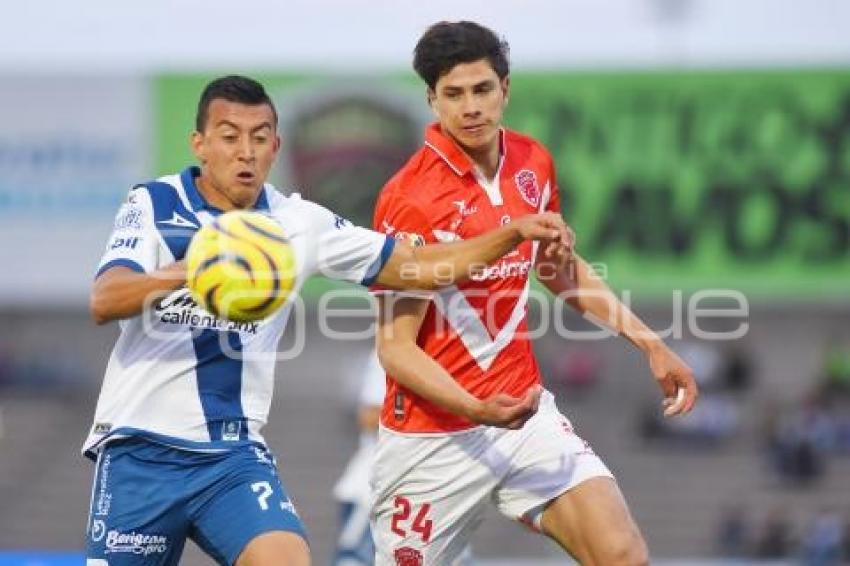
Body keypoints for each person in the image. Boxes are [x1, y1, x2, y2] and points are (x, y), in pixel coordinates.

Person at [84, 75, 570, 566]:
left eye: (260, 138)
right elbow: (105, 299)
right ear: (200, 144)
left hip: (232, 456)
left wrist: (511, 234)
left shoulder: (299, 224)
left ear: (277, 145)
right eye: (230, 137)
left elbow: (418, 267)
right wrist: (195, 270)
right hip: (140, 450)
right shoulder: (153, 204)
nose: (246, 152)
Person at [371, 22, 698, 565]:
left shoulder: (532, 162)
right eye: (453, 94)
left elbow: (558, 271)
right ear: (432, 98)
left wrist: (650, 344)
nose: (470, 107)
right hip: (433, 441)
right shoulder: (410, 199)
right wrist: (477, 408)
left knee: (622, 554)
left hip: (524, 417)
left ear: (505, 88)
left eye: (482, 89)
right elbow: (396, 348)